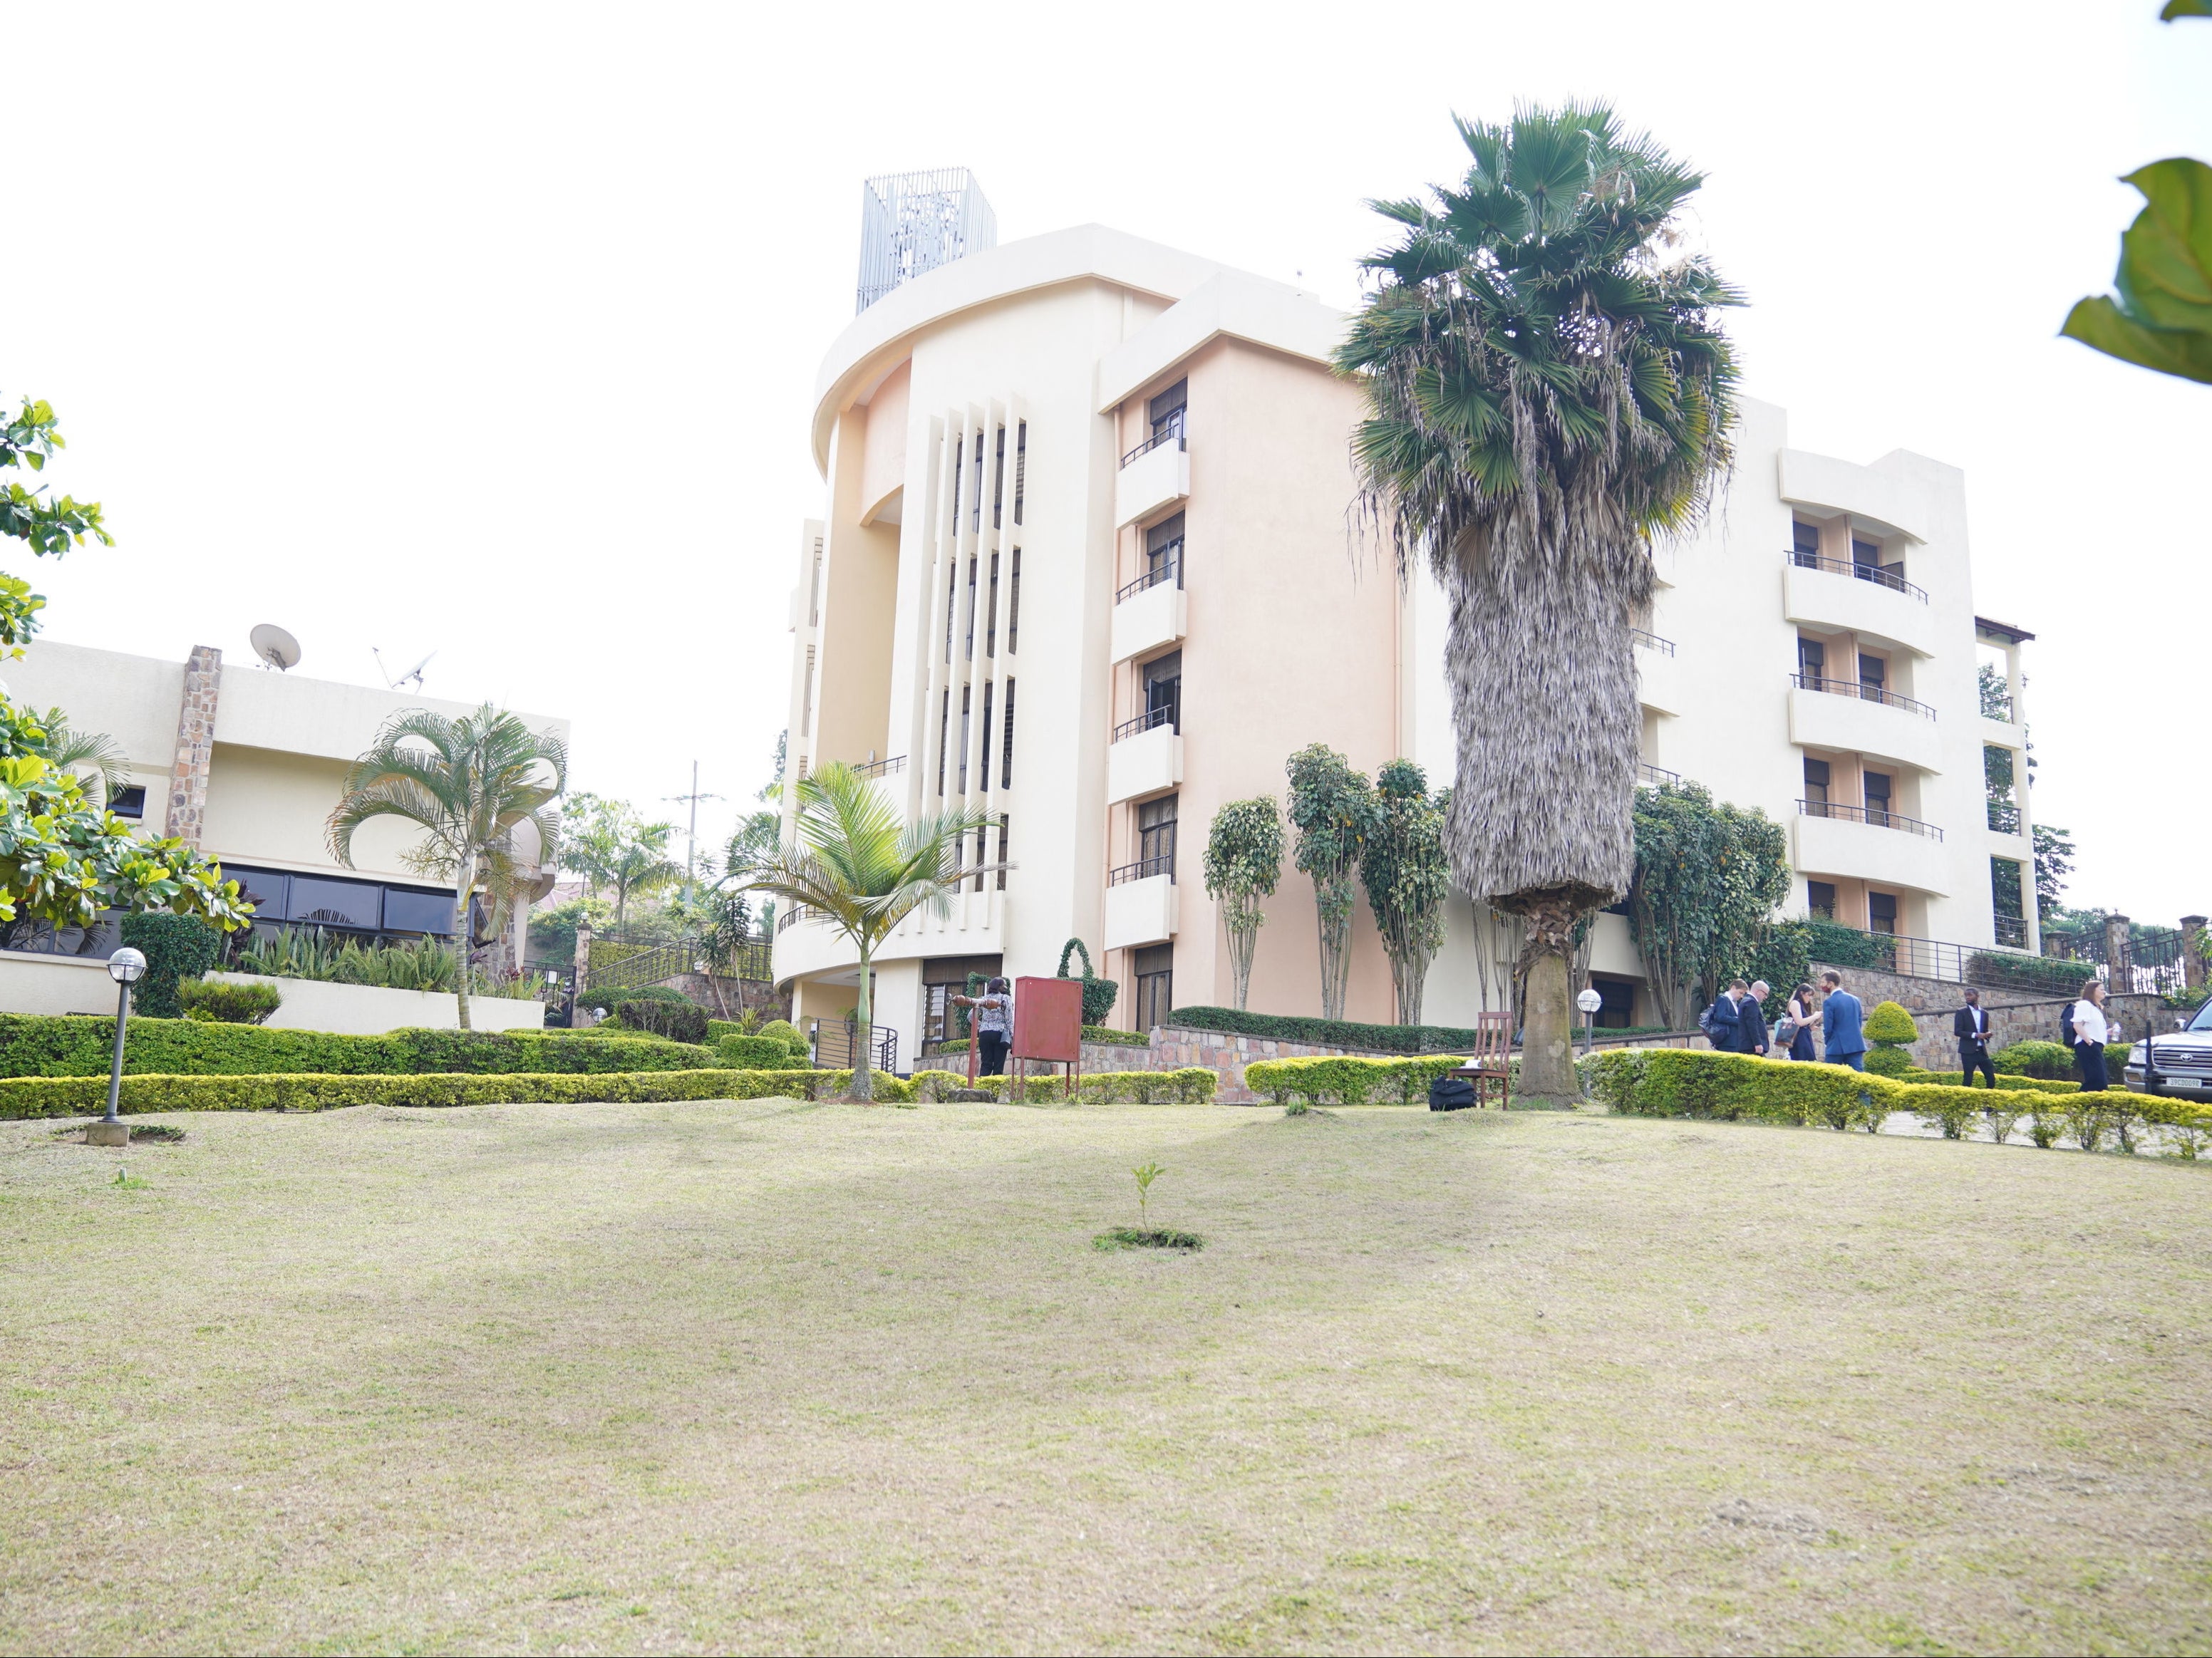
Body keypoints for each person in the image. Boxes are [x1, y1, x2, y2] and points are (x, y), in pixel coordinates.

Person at [951, 976, 1013, 1076]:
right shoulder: (1005, 998)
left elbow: (970, 1016)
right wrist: (1012, 1036)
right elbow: (1009, 1019)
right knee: (998, 1066)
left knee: (986, 1064)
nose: (1005, 988)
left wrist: (982, 1025)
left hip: (984, 1034)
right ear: (1000, 987)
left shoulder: (983, 999)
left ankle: (982, 1088)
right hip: (1000, 1034)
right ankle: (994, 1090)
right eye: (1004, 986)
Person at [2069, 978, 2114, 1093]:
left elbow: (2093, 1029)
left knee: (2099, 1079)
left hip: (2095, 1046)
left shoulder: (2095, 1009)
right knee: (2097, 1080)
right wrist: (2089, 1042)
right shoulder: (2084, 1004)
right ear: (2092, 991)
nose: (2104, 992)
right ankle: (2078, 1102)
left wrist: (2108, 1032)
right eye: (2101, 989)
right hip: (2087, 1045)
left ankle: (2090, 1103)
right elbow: (2077, 1025)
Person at [1819, 970, 1866, 1071]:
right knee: (1858, 1078)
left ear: (1831, 983)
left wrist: (1828, 1042)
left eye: (1823, 982)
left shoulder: (1829, 1002)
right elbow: (1859, 1022)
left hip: (1836, 1046)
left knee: (1830, 1078)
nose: (1821, 985)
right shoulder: (1855, 999)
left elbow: (1828, 1028)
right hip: (1855, 1045)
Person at [1954, 988, 1997, 1089]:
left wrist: (1987, 1035)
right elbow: (1958, 1031)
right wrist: (1976, 1035)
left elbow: (1985, 1030)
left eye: (1970, 995)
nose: (1967, 997)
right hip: (1968, 1051)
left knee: (1991, 1078)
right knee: (1968, 1079)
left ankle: (1988, 1101)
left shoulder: (1984, 1013)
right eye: (1966, 995)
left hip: (1982, 1051)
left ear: (1977, 997)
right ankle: (1965, 1102)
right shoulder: (1961, 1012)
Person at [1780, 983, 1817, 1062]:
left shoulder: (1803, 1005)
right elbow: (1799, 1022)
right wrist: (1815, 1016)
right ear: (1801, 993)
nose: (1810, 998)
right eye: (1808, 995)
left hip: (1804, 1037)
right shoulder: (1795, 1003)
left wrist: (1811, 1026)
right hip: (1798, 1039)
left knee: (1809, 1061)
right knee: (1802, 1060)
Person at [1740, 980, 1772, 1057]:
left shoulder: (1747, 1000)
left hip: (1750, 1046)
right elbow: (1752, 1024)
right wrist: (1757, 1043)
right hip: (1752, 1047)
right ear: (1758, 991)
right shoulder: (1751, 1002)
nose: (1766, 997)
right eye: (1765, 994)